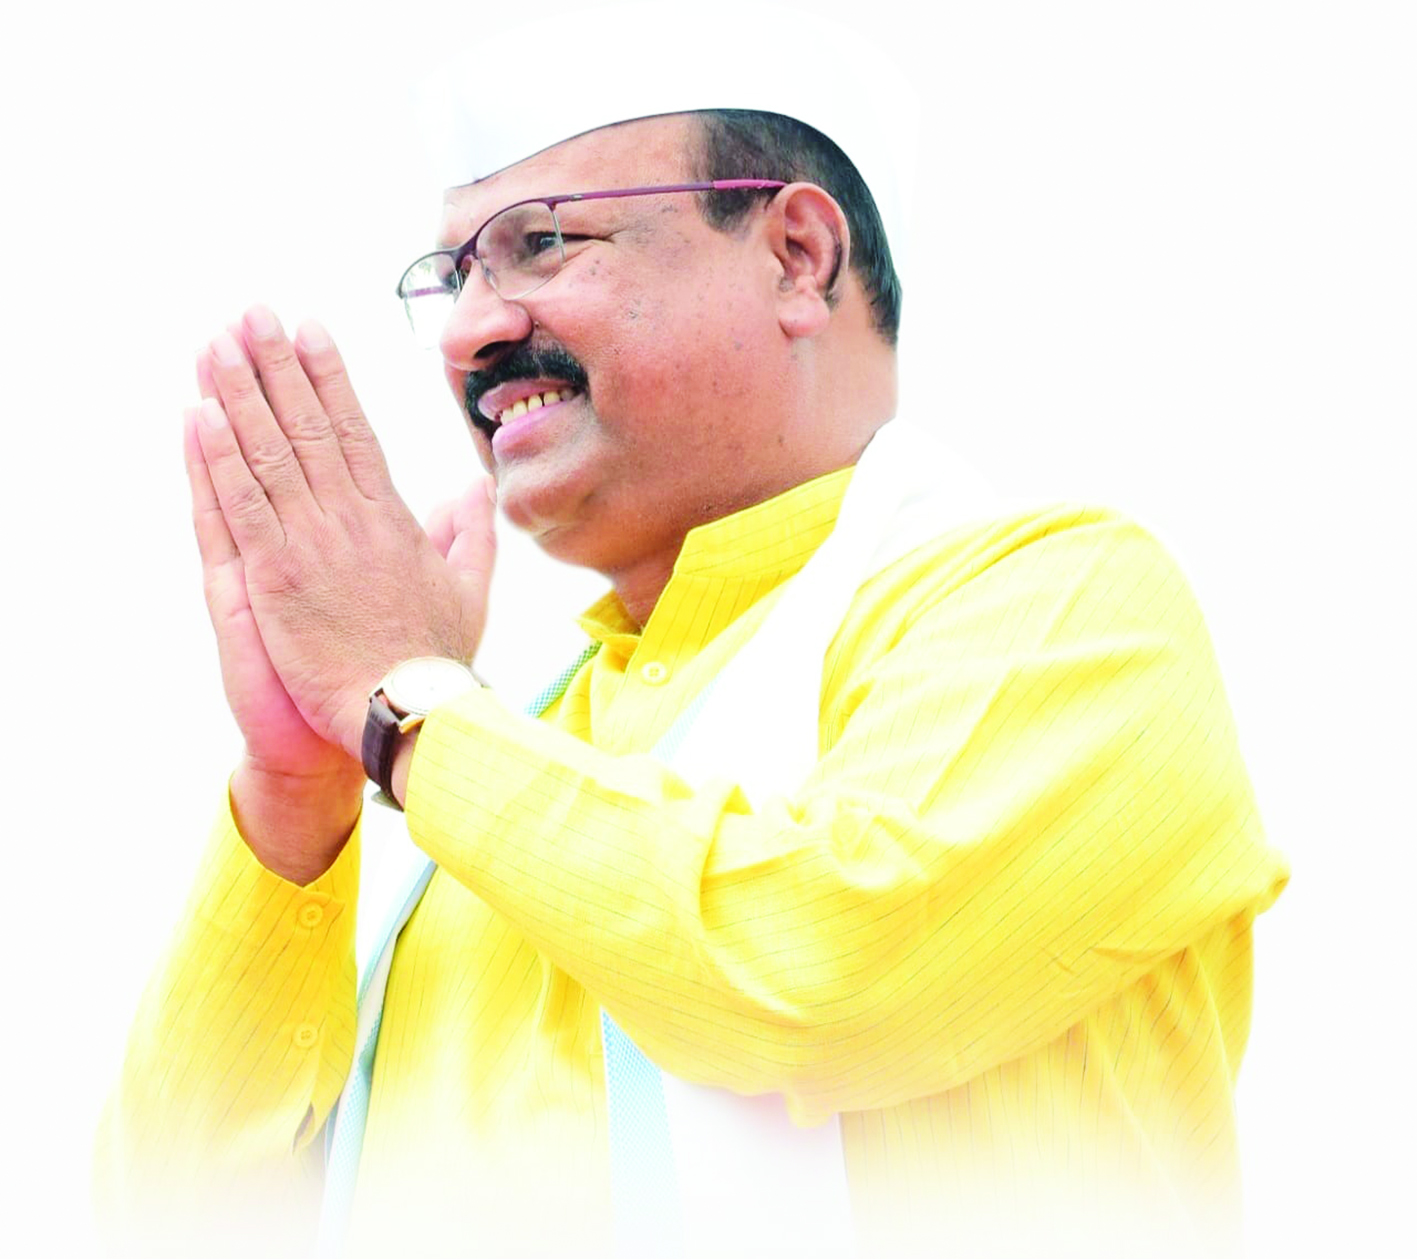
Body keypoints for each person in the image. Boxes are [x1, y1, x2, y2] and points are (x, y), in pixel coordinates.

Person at [96, 93, 1288, 1259]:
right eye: (452, 276)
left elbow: (822, 973)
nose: (466, 329)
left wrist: (408, 704)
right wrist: (299, 788)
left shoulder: (1063, 603)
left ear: (796, 257)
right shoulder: (473, 763)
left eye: (540, 243)